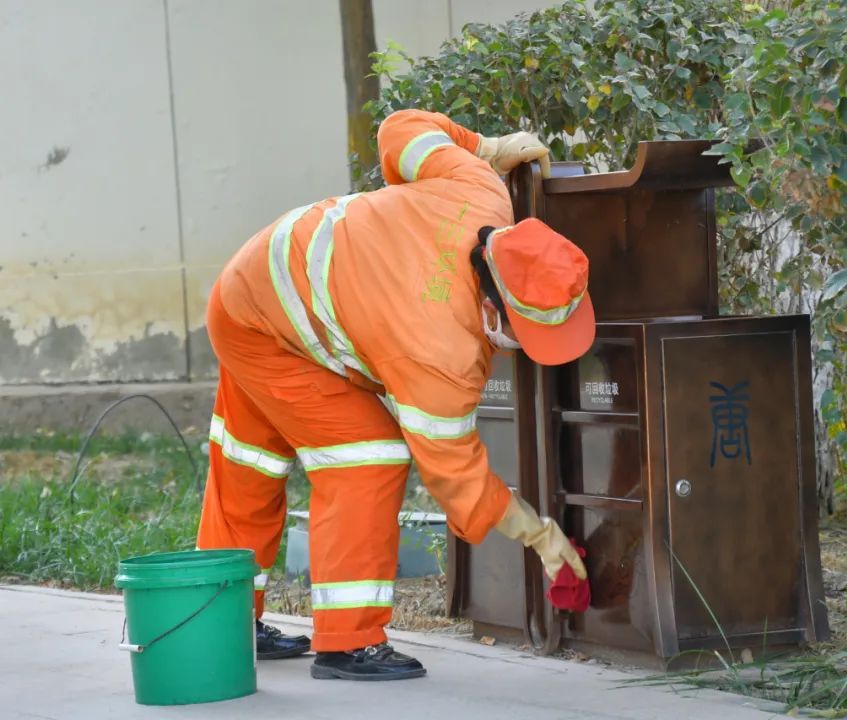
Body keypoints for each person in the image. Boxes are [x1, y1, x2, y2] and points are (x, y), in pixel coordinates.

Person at [196, 109, 593, 681]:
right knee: (367, 456)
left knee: (249, 463)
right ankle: (349, 643)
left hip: (262, 283)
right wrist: (540, 534)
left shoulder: (481, 190)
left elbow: (401, 129)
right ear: (490, 310)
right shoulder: (439, 349)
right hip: (270, 327)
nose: (524, 351)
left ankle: (222, 621)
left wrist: (486, 146)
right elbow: (456, 475)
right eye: (526, 337)